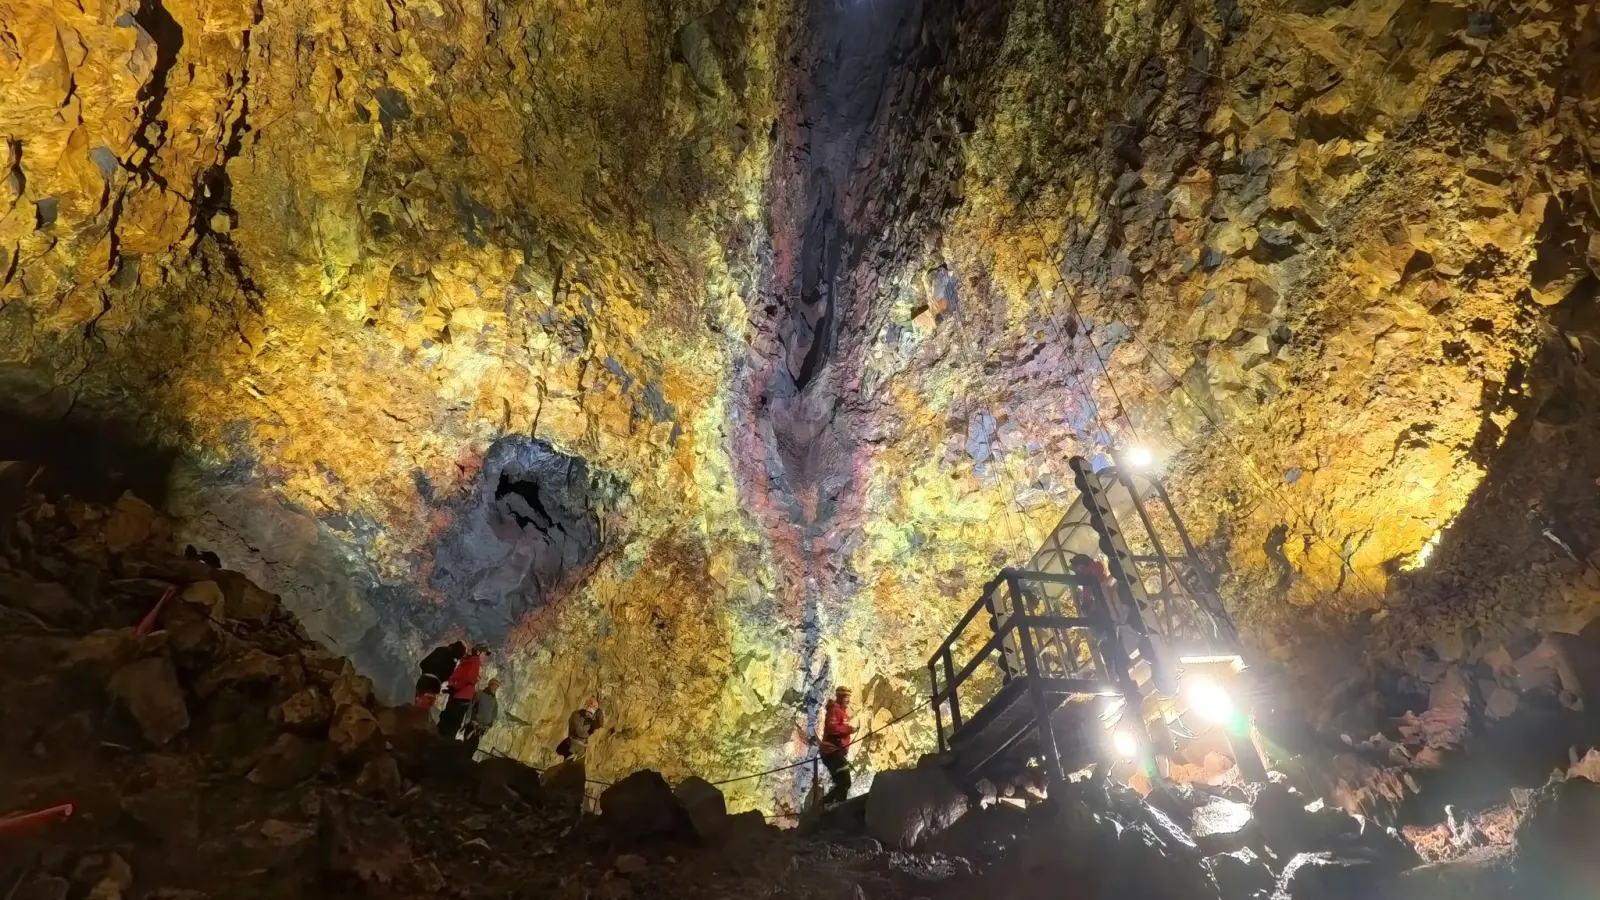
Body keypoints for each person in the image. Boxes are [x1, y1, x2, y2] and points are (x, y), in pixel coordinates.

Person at [438, 643, 490, 738]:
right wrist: (457, 687)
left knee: (447, 717)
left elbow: (457, 676)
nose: (486, 657)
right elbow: (469, 678)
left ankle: (439, 737)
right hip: (464, 696)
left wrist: (453, 687)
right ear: (478, 652)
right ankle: (445, 741)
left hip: (456, 694)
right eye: (485, 653)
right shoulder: (475, 661)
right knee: (453, 722)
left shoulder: (466, 661)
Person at [819, 686, 855, 802]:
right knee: (844, 781)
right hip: (831, 751)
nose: (848, 700)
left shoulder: (841, 712)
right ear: (840, 697)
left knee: (843, 782)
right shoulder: (834, 710)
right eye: (846, 697)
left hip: (836, 751)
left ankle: (831, 803)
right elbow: (832, 728)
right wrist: (849, 729)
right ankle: (831, 804)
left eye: (848, 697)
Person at [415, 640, 467, 710]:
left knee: (416, 705)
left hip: (423, 680)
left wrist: (426, 672)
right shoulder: (453, 658)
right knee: (424, 709)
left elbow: (422, 663)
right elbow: (448, 675)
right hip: (435, 684)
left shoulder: (440, 649)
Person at [462, 677, 501, 755]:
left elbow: (494, 714)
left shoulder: (494, 701)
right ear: (490, 685)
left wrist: (489, 725)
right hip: (473, 725)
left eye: (497, 686)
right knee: (465, 745)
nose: (495, 688)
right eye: (494, 685)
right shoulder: (479, 694)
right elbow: (471, 707)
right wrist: (470, 720)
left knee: (473, 747)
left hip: (482, 728)